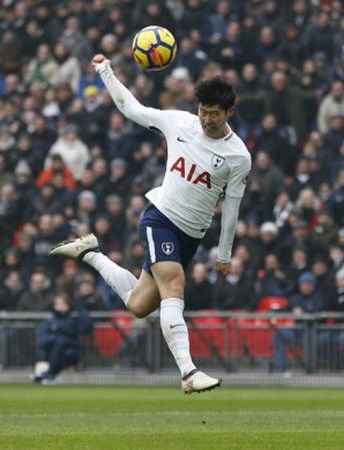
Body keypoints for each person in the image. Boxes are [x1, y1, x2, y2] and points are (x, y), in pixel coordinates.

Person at [49, 54, 252, 394]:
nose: (205, 119)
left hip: (191, 236)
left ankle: (90, 253)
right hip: (160, 219)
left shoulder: (238, 157)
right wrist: (106, 72)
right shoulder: (181, 123)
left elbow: (232, 207)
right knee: (174, 287)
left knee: (139, 306)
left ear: (229, 112)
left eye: (213, 114)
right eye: (202, 110)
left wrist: (225, 254)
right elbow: (132, 109)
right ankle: (188, 373)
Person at [33, 293, 92, 384]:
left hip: (71, 352)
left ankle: (48, 374)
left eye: (63, 304)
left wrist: (81, 310)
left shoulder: (73, 320)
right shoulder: (49, 321)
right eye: (58, 304)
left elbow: (87, 327)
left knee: (65, 350)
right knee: (58, 344)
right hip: (52, 353)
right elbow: (42, 340)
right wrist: (57, 339)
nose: (60, 306)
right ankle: (49, 375)